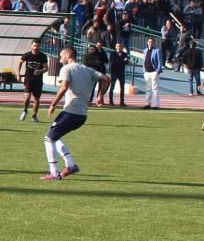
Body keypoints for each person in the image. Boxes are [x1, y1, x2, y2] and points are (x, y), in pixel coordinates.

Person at [40, 47, 111, 180]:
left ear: (67, 55)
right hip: (82, 115)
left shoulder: (67, 69)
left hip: (71, 111)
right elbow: (106, 79)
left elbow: (64, 86)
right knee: (54, 136)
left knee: (48, 139)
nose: (60, 59)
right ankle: (70, 165)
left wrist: (53, 104)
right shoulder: (87, 69)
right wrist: (101, 95)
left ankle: (54, 173)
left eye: (61, 56)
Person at [18, 39, 49, 122]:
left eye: (37, 46)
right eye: (34, 45)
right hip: (28, 79)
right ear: (32, 46)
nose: (36, 47)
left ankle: (34, 116)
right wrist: (18, 74)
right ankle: (25, 110)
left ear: (40, 46)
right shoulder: (27, 55)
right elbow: (20, 62)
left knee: (36, 99)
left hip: (38, 81)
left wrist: (40, 71)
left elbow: (46, 68)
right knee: (27, 96)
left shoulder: (43, 56)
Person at [141, 36, 163, 109]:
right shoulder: (145, 50)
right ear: (147, 43)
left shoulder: (157, 50)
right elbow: (144, 61)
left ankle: (156, 105)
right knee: (148, 89)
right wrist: (144, 71)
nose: (150, 43)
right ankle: (148, 104)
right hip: (147, 72)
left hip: (154, 72)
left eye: (152, 42)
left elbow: (160, 62)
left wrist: (157, 71)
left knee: (155, 89)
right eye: (149, 42)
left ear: (153, 43)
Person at [107, 42, 129, 106]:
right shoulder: (113, 53)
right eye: (118, 46)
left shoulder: (124, 54)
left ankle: (122, 101)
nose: (119, 47)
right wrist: (122, 61)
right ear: (115, 47)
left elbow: (127, 62)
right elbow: (113, 62)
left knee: (122, 87)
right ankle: (111, 101)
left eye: (120, 46)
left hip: (121, 72)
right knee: (112, 87)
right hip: (114, 72)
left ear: (122, 47)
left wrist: (120, 61)